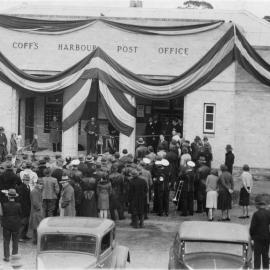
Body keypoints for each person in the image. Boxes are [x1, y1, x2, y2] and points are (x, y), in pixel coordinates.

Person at [249, 194, 270, 270]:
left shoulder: (256, 214)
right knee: (265, 256)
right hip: (267, 237)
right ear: (264, 205)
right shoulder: (268, 213)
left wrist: (252, 236)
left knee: (257, 256)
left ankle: (257, 268)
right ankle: (266, 268)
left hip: (257, 238)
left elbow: (252, 227)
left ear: (258, 205)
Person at [1, 189, 21, 262]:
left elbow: (2, 215)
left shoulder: (4, 205)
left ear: (8, 197)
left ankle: (7, 257)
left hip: (6, 225)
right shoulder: (18, 205)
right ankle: (14, 256)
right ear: (14, 197)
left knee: (6, 241)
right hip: (15, 225)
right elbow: (20, 214)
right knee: (15, 241)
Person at [27, 179, 44, 244]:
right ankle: (36, 241)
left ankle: (36, 241)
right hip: (36, 212)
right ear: (37, 184)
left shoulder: (37, 190)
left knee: (36, 226)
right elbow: (35, 203)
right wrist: (39, 209)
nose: (41, 185)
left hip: (37, 211)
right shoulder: (35, 191)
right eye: (40, 184)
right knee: (37, 226)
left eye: (42, 184)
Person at [16, 174, 31, 242]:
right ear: (23, 180)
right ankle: (19, 237)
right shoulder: (21, 187)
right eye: (26, 180)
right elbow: (20, 199)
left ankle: (24, 235)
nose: (27, 181)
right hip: (23, 208)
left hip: (27, 207)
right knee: (22, 223)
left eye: (28, 180)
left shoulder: (27, 186)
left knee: (26, 223)